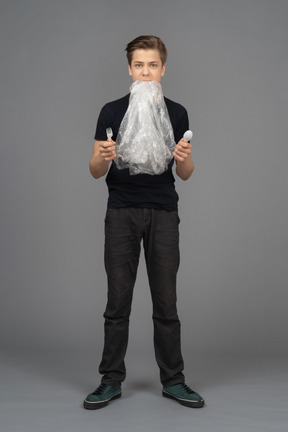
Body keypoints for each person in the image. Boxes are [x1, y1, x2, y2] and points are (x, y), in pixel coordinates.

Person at [84, 35, 204, 410]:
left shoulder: (178, 113)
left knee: (166, 302)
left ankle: (174, 381)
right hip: (121, 211)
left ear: (163, 68)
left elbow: (184, 173)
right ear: (130, 69)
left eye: (153, 65)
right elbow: (93, 171)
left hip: (164, 212)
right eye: (139, 65)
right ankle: (110, 381)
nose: (146, 72)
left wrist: (183, 156)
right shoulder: (110, 111)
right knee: (117, 302)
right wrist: (103, 157)